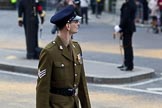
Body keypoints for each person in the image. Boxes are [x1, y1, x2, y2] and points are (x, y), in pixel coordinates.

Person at [36, 5, 91, 108]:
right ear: (68, 26)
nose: (78, 24)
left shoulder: (76, 47)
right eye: (75, 21)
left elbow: (82, 85)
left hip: (73, 104)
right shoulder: (49, 52)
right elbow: (42, 90)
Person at [115, 0, 137, 71]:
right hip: (127, 28)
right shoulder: (129, 4)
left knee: (127, 47)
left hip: (127, 28)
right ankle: (126, 63)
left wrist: (120, 27)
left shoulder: (128, 5)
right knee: (126, 46)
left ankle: (129, 65)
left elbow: (125, 18)